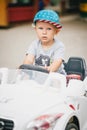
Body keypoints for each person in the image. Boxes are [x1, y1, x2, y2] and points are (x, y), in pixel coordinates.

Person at [23, 9, 66, 74]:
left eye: (49, 29)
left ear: (56, 31)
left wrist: (48, 70)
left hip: (56, 75)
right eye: (40, 28)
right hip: (39, 74)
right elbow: (29, 59)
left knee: (55, 83)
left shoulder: (59, 46)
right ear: (35, 29)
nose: (44, 32)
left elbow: (57, 62)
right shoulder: (34, 44)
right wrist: (25, 68)